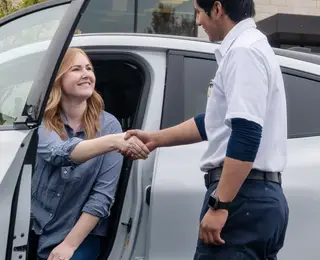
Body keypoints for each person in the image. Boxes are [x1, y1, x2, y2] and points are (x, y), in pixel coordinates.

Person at [124, 0, 289, 259]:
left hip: (241, 198)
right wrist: (155, 139)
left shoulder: (243, 52)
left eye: (198, 13)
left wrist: (220, 204)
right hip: (256, 198)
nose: (198, 22)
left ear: (217, 8)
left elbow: (246, 133)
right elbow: (213, 122)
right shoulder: (252, 47)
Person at [30, 47, 150, 260]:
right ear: (58, 79)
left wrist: (69, 245)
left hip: (80, 235)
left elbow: (102, 196)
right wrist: (114, 142)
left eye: (89, 68)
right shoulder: (43, 120)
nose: (86, 74)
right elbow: (59, 153)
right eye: (76, 69)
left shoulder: (110, 125)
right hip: (37, 229)